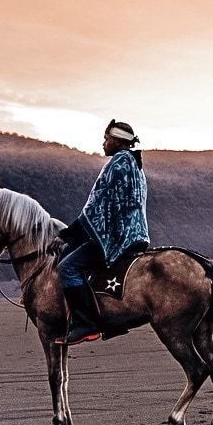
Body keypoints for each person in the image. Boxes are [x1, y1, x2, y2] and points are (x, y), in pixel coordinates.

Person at [54, 119, 150, 345]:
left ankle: (85, 323)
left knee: (67, 267)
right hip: (138, 236)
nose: (103, 143)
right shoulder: (135, 165)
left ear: (118, 141)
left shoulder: (116, 164)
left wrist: (66, 236)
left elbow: (96, 206)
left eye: (107, 139)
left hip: (119, 238)